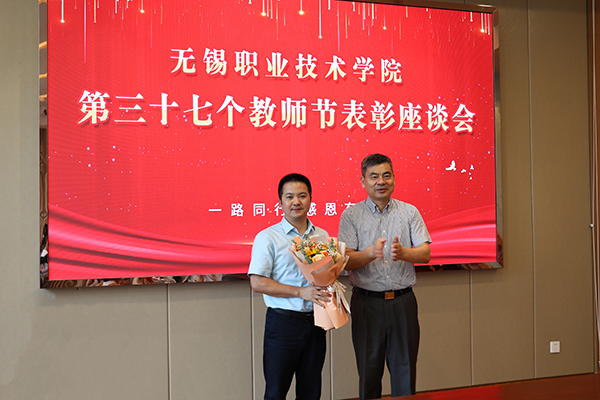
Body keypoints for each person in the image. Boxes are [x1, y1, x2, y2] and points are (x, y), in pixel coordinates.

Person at [338, 153, 432, 399]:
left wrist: (404, 253)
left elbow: (425, 254)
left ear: (394, 178)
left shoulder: (409, 212)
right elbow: (345, 260)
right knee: (368, 373)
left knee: (405, 372)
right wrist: (370, 253)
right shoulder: (351, 215)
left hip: (403, 302)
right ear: (363, 181)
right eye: (374, 176)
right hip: (366, 303)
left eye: (386, 175)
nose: (381, 181)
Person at [248, 173, 332, 400]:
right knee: (276, 392)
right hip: (283, 324)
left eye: (302, 196)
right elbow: (257, 282)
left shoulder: (322, 235)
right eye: (290, 197)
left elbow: (324, 276)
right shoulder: (268, 237)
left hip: (315, 324)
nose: (296, 202)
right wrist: (300, 292)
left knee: (311, 392)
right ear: (280, 202)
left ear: (310, 199)